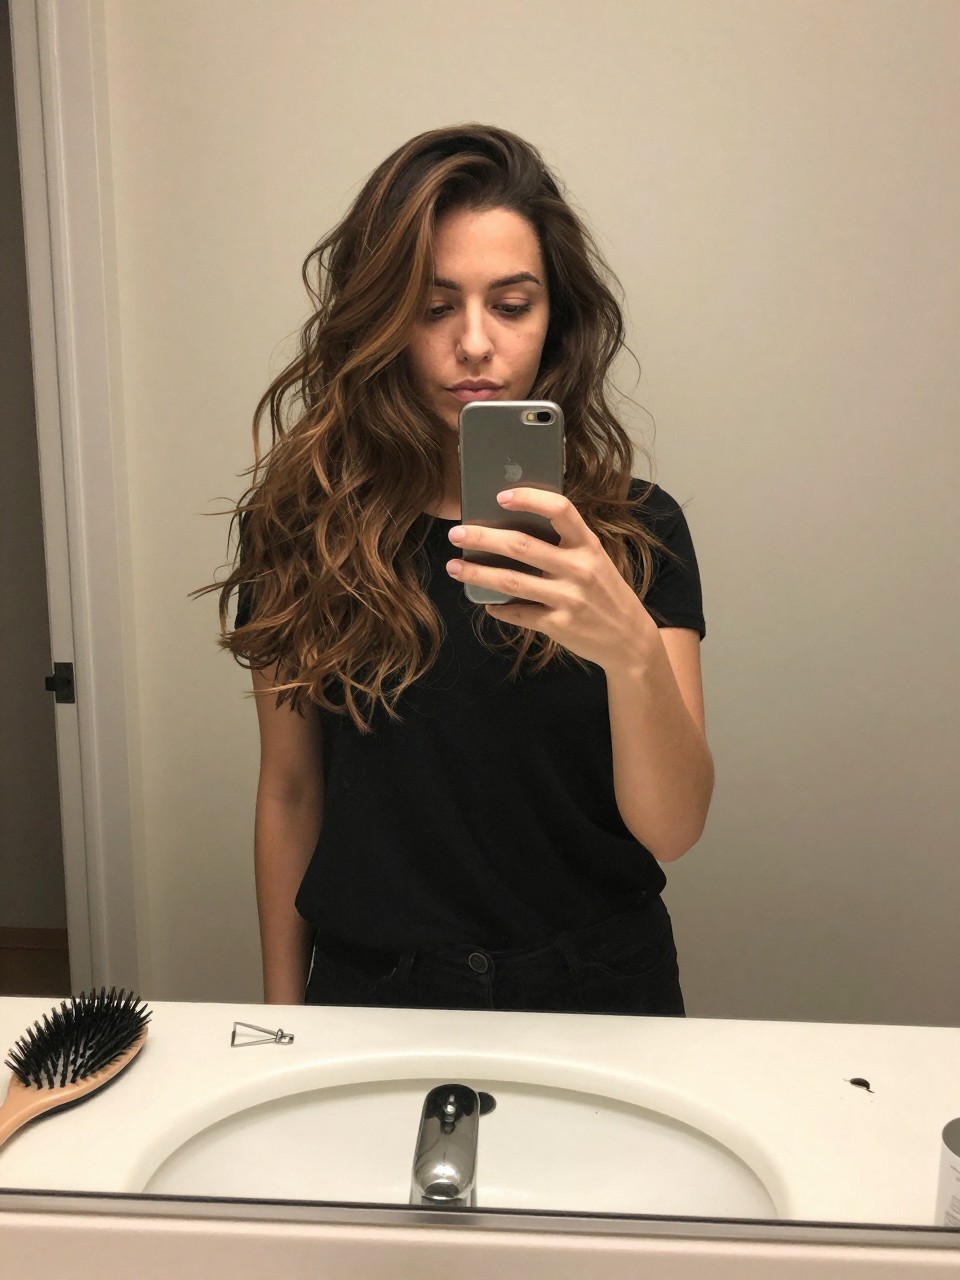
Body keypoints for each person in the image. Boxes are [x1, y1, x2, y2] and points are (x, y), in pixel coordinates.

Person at [215, 124, 713, 1015]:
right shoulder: (303, 527)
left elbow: (673, 830)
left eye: (511, 304)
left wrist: (631, 651)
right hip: (374, 993)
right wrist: (282, 1018)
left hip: (600, 993)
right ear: (380, 317)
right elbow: (291, 791)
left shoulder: (637, 530)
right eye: (436, 305)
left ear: (556, 317)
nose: (476, 343)